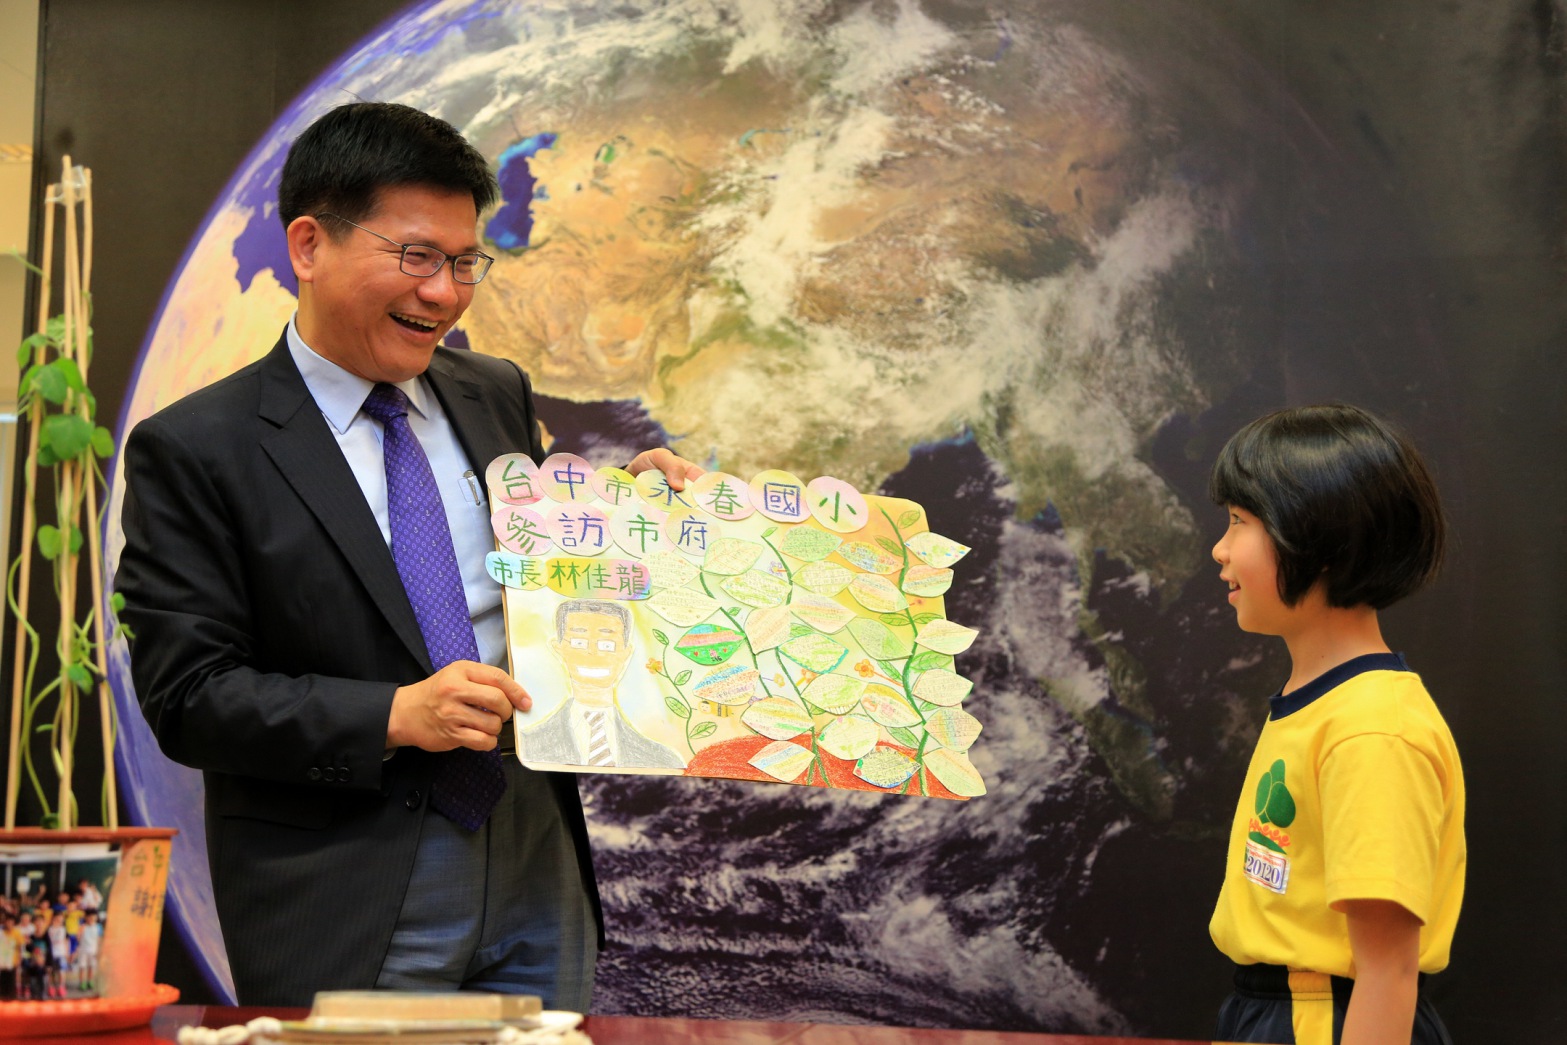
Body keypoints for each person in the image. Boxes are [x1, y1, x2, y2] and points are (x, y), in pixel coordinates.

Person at [115, 101, 701, 1008]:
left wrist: (631, 517)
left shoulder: (493, 391)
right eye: (417, 256)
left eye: (465, 262)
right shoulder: (197, 447)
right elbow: (189, 697)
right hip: (348, 880)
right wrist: (394, 714)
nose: (445, 293)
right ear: (308, 245)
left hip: (533, 851)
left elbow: (537, 572)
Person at [1206, 404, 1464, 1045]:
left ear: (1314, 540)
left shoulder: (1372, 730)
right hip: (1280, 1009)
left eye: (1239, 522)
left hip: (1325, 1017)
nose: (1220, 549)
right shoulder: (1328, 704)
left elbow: (1388, 971)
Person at [519, 600, 684, 770]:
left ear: (626, 653)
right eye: (579, 643)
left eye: (607, 645)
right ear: (558, 648)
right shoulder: (527, 745)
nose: (593, 653)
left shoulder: (663, 760)